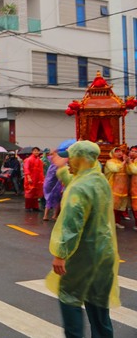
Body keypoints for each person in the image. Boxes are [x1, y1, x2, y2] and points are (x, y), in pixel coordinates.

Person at [46, 141, 119, 338]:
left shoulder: (79, 189)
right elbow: (75, 182)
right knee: (98, 306)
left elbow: (72, 224)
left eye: (71, 157)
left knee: (69, 297)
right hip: (104, 253)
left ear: (81, 158)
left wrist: (61, 254)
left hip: (83, 255)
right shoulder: (99, 180)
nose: (69, 161)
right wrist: (61, 168)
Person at [104, 146, 129, 229]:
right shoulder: (110, 162)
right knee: (112, 207)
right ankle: (110, 223)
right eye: (117, 151)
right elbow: (115, 169)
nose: (119, 153)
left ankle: (117, 222)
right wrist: (124, 162)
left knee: (119, 207)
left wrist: (128, 162)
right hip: (113, 187)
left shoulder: (121, 162)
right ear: (112, 153)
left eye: (120, 151)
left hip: (122, 188)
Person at [42, 154, 63, 221]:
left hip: (48, 185)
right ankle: (54, 215)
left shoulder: (51, 166)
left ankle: (46, 216)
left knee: (49, 200)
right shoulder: (58, 167)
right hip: (55, 185)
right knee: (58, 200)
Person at [23, 147, 44, 211]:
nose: (36, 152)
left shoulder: (39, 160)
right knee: (29, 193)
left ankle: (35, 207)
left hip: (37, 179)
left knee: (36, 193)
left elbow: (40, 170)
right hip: (30, 178)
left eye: (37, 151)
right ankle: (28, 207)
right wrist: (29, 177)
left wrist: (42, 179)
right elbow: (26, 169)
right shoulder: (28, 160)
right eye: (35, 151)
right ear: (32, 152)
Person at [125, 145, 137, 231]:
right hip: (133, 186)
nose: (133, 153)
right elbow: (129, 172)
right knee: (134, 206)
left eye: (135, 151)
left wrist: (129, 163)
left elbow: (135, 171)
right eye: (132, 151)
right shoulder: (132, 161)